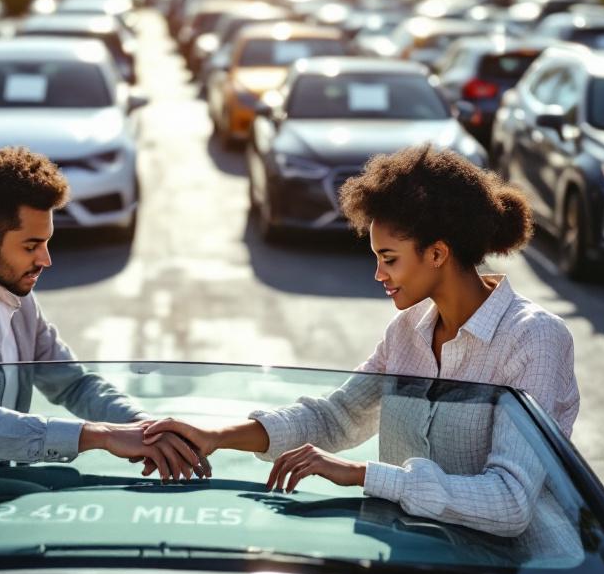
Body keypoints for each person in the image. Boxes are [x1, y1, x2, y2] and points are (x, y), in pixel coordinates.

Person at [144, 144, 580, 542]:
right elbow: (338, 416)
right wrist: (216, 436)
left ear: (437, 254)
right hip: (411, 561)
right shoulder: (407, 331)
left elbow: (509, 503)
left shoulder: (534, 337)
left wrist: (361, 475)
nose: (379, 274)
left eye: (389, 259)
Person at [0, 146, 203, 482]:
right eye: (31, 246)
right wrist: (102, 435)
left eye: (46, 243)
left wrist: (148, 427)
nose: (45, 260)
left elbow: (74, 385)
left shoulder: (19, 303)